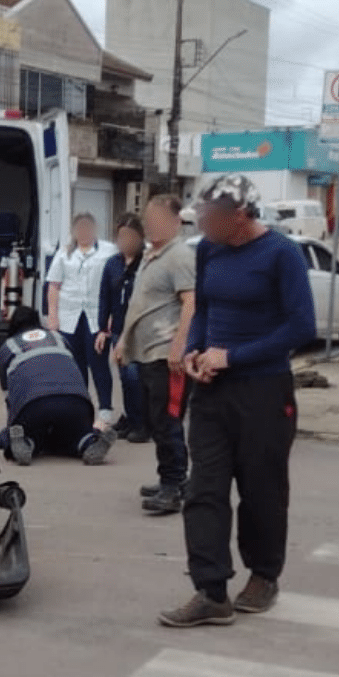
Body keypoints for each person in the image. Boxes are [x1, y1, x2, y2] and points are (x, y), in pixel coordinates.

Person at [158, 175, 315, 629]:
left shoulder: (281, 255)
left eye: (209, 218)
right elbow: (205, 307)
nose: (201, 225)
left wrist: (234, 356)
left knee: (262, 491)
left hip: (264, 391)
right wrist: (196, 350)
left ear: (240, 216)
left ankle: (264, 576)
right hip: (212, 390)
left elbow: (299, 326)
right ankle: (211, 590)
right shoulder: (209, 250)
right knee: (203, 489)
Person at [119, 195, 197, 515]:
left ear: (176, 221)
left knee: (167, 421)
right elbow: (141, 304)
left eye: (158, 219)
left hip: (168, 355)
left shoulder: (179, 255)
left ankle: (173, 484)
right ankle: (174, 479)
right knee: (158, 420)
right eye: (148, 219)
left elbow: (192, 304)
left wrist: (178, 348)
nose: (151, 225)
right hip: (150, 353)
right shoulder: (153, 255)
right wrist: (123, 340)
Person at [0, 306, 116, 467]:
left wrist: (12, 426)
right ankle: (88, 442)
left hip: (34, 405)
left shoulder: (9, 346)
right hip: (77, 402)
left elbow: (9, 397)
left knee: (14, 434)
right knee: (72, 434)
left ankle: (26, 442)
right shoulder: (58, 337)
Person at [46, 212, 116, 424]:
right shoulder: (64, 254)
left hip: (97, 315)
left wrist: (111, 318)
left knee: (98, 362)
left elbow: (115, 285)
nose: (84, 233)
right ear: (75, 231)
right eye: (80, 229)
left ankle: (105, 408)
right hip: (70, 316)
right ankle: (81, 406)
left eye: (88, 228)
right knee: (75, 364)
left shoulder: (108, 252)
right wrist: (53, 317)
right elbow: (54, 286)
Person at [95, 213, 148, 443]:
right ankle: (129, 417)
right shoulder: (113, 264)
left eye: (131, 236)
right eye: (122, 236)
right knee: (125, 377)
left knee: (136, 376)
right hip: (117, 328)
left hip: (140, 330)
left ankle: (142, 423)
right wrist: (102, 329)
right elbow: (104, 297)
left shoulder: (146, 263)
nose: (126, 241)